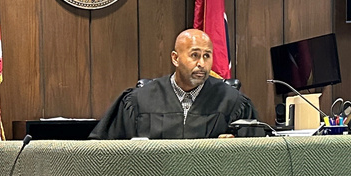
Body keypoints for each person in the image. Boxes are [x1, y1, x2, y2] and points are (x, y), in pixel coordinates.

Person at [89, 28, 257, 139]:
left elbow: (255, 157)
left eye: (207, 56)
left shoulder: (232, 102)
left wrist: (236, 146)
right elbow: (105, 151)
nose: (201, 63)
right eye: (194, 55)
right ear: (175, 58)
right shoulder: (138, 101)